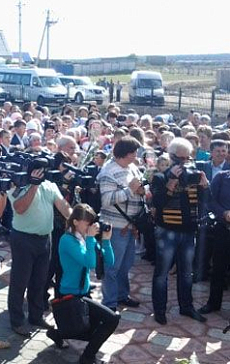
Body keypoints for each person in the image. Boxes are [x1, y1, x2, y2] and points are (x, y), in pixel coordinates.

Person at [46, 204, 120, 364]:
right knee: (111, 319)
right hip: (70, 294)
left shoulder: (84, 238)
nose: (91, 226)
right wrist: (91, 239)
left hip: (84, 293)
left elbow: (110, 261)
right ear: (75, 222)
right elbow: (90, 262)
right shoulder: (67, 240)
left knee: (90, 331)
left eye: (92, 222)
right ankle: (87, 358)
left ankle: (58, 334)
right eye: (87, 223)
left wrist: (106, 241)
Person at [7, 166, 73, 337]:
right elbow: (19, 208)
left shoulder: (50, 185)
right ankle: (17, 321)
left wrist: (78, 222)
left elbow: (64, 207)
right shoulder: (18, 185)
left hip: (45, 238)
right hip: (23, 239)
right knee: (19, 281)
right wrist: (33, 185)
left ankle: (35, 317)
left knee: (40, 280)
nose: (40, 172)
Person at [151, 137, 209, 325]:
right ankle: (159, 310)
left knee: (186, 272)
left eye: (187, 158)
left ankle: (186, 307)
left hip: (188, 231)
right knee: (162, 273)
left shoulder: (193, 175)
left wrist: (204, 186)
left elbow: (204, 201)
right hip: (166, 231)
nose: (184, 162)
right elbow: (157, 204)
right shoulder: (160, 177)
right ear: (171, 157)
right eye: (180, 159)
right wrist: (170, 183)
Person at [96, 136, 144, 311]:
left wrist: (140, 190)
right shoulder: (108, 172)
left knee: (126, 264)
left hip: (131, 226)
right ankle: (109, 302)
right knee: (112, 266)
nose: (136, 156)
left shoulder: (132, 167)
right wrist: (130, 189)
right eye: (134, 152)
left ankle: (122, 295)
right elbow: (107, 200)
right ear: (126, 153)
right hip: (115, 227)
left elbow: (137, 189)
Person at [199, 169, 230, 314]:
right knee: (218, 269)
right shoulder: (222, 177)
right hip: (224, 229)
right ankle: (213, 303)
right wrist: (223, 213)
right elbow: (210, 201)